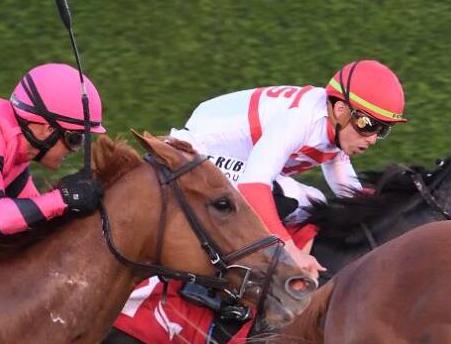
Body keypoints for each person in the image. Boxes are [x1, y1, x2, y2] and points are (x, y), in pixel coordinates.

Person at [168, 59, 407, 278]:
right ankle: (236, 270)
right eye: (368, 124)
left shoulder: (334, 126)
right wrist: (290, 251)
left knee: (313, 200)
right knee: (300, 199)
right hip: (195, 153)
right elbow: (253, 186)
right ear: (340, 110)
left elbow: (347, 187)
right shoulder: (300, 119)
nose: (372, 139)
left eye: (382, 129)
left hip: (223, 159)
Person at [0, 63, 105, 239]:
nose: (76, 150)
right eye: (75, 139)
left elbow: (35, 226)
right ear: (49, 129)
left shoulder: (16, 153)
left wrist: (72, 202)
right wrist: (65, 197)